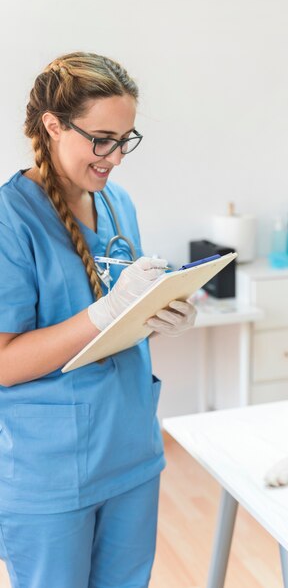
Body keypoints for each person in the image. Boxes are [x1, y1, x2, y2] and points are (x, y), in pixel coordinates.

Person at [0, 52, 196, 588]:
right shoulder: (9, 220)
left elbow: (120, 318)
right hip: (52, 473)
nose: (114, 157)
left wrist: (161, 311)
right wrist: (104, 312)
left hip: (130, 451)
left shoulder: (117, 203)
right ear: (53, 125)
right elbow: (4, 363)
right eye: (101, 138)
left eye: (125, 139)